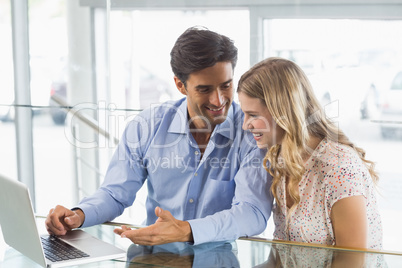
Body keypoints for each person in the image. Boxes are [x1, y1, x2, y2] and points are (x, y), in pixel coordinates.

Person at [45, 27, 273, 246]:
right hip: (154, 258)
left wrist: (187, 231)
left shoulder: (252, 132)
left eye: (226, 85)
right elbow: (115, 194)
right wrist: (78, 215)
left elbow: (252, 212)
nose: (218, 100)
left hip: (219, 259)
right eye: (204, 89)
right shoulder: (146, 126)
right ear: (179, 85)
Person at [237, 57, 382, 249]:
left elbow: (352, 261)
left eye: (253, 115)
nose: (245, 125)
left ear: (283, 111)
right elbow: (283, 255)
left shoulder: (340, 168)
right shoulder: (280, 157)